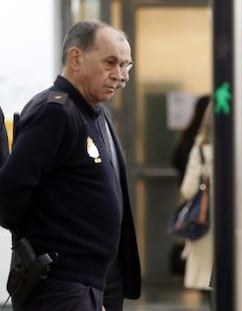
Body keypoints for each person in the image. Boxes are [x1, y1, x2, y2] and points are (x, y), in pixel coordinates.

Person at [0, 20, 141, 310]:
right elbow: (9, 195)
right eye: (111, 63)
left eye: (126, 65)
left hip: (87, 286)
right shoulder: (56, 112)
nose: (121, 75)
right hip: (61, 286)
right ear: (76, 58)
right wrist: (49, 242)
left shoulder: (92, 113)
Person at [179, 102, 213, 297]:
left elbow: (188, 189)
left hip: (205, 225)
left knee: (209, 284)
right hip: (236, 226)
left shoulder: (201, 151)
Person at [171, 95, 210, 185]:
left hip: (190, 189)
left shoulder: (188, 134)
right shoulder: (204, 140)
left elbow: (176, 160)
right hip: (200, 190)